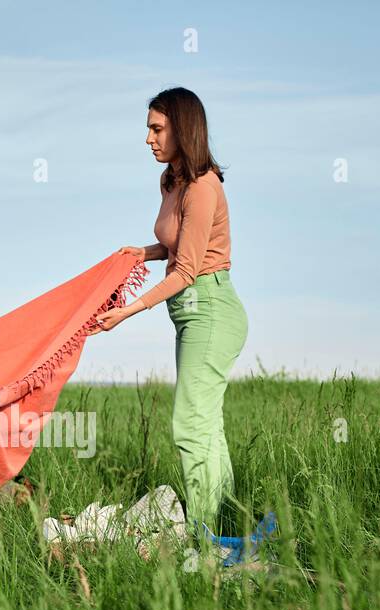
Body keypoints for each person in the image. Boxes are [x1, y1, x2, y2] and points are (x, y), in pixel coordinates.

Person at [91, 87, 252, 551]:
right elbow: (178, 246)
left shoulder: (204, 186)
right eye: (148, 128)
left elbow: (187, 268)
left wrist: (128, 311)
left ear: (183, 130)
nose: (148, 138)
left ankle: (204, 539)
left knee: (188, 424)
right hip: (190, 315)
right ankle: (221, 529)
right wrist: (143, 251)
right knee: (207, 426)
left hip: (211, 309)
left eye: (156, 128)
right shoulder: (172, 182)